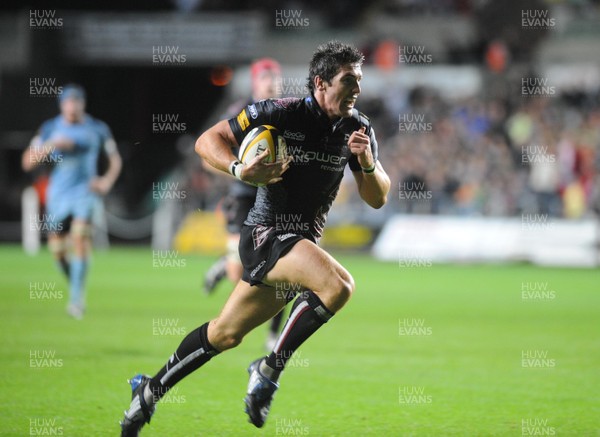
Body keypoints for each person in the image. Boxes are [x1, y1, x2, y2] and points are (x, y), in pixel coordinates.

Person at [119, 41, 390, 436]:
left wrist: (366, 164)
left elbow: (377, 197)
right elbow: (206, 141)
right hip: (266, 234)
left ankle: (149, 390)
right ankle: (268, 370)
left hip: (300, 244)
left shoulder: (357, 128)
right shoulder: (279, 112)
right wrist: (238, 168)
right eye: (349, 80)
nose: (357, 89)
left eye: (359, 80)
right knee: (339, 285)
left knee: (224, 334)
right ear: (321, 82)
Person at [203, 57, 287, 350]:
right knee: (238, 272)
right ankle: (224, 264)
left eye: (275, 77)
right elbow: (210, 150)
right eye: (266, 77)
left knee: (282, 263)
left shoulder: (287, 111)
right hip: (243, 194)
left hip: (277, 194)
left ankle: (275, 333)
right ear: (254, 82)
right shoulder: (240, 113)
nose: (272, 82)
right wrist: (236, 169)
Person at [22, 84, 122, 319]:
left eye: (77, 102)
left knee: (79, 237)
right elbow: (27, 162)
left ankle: (77, 300)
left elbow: (115, 159)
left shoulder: (97, 128)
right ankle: (75, 283)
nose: (73, 106)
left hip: (84, 193)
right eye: (69, 102)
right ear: (62, 104)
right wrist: (51, 145)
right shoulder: (50, 129)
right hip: (58, 194)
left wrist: (106, 180)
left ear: (83, 104)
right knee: (57, 251)